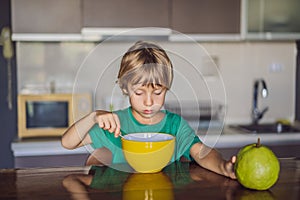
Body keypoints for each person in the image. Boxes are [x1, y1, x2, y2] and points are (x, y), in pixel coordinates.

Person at [61, 41, 236, 179]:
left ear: (167, 88)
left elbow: (201, 153)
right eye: (139, 92)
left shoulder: (175, 126)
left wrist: (223, 167)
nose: (149, 101)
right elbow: (67, 143)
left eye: (158, 92)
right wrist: (93, 117)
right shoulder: (114, 124)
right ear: (124, 88)